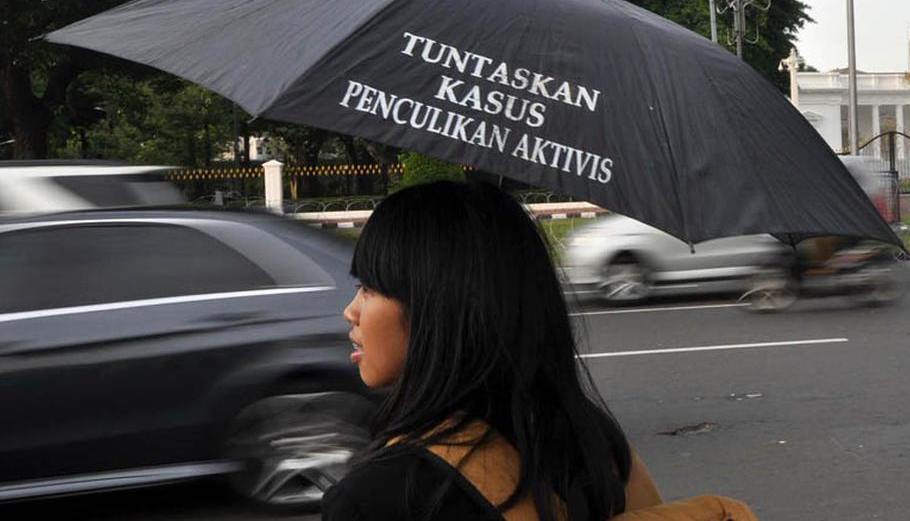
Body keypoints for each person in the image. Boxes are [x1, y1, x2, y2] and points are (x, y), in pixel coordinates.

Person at [322, 180, 756, 520]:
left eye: (369, 289)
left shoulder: (381, 497)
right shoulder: (588, 440)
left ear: (441, 306)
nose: (351, 312)